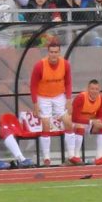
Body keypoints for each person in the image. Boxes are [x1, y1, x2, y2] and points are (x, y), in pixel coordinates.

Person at [27, 36, 72, 165]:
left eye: (56, 52)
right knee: (46, 124)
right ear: (48, 52)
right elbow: (33, 85)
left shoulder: (65, 64)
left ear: (59, 52)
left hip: (59, 96)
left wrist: (68, 99)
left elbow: (68, 83)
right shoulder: (39, 65)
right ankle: (46, 157)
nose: (53, 54)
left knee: (68, 122)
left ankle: (72, 156)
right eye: (51, 52)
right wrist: (35, 103)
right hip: (43, 97)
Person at [68, 79, 102, 165]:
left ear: (99, 90)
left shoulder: (101, 98)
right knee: (80, 127)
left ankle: (99, 157)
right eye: (92, 89)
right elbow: (74, 118)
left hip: (89, 123)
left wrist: (99, 121)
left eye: (96, 89)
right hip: (74, 123)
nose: (94, 91)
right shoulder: (81, 98)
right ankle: (76, 156)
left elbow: (101, 114)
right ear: (88, 89)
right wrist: (91, 122)